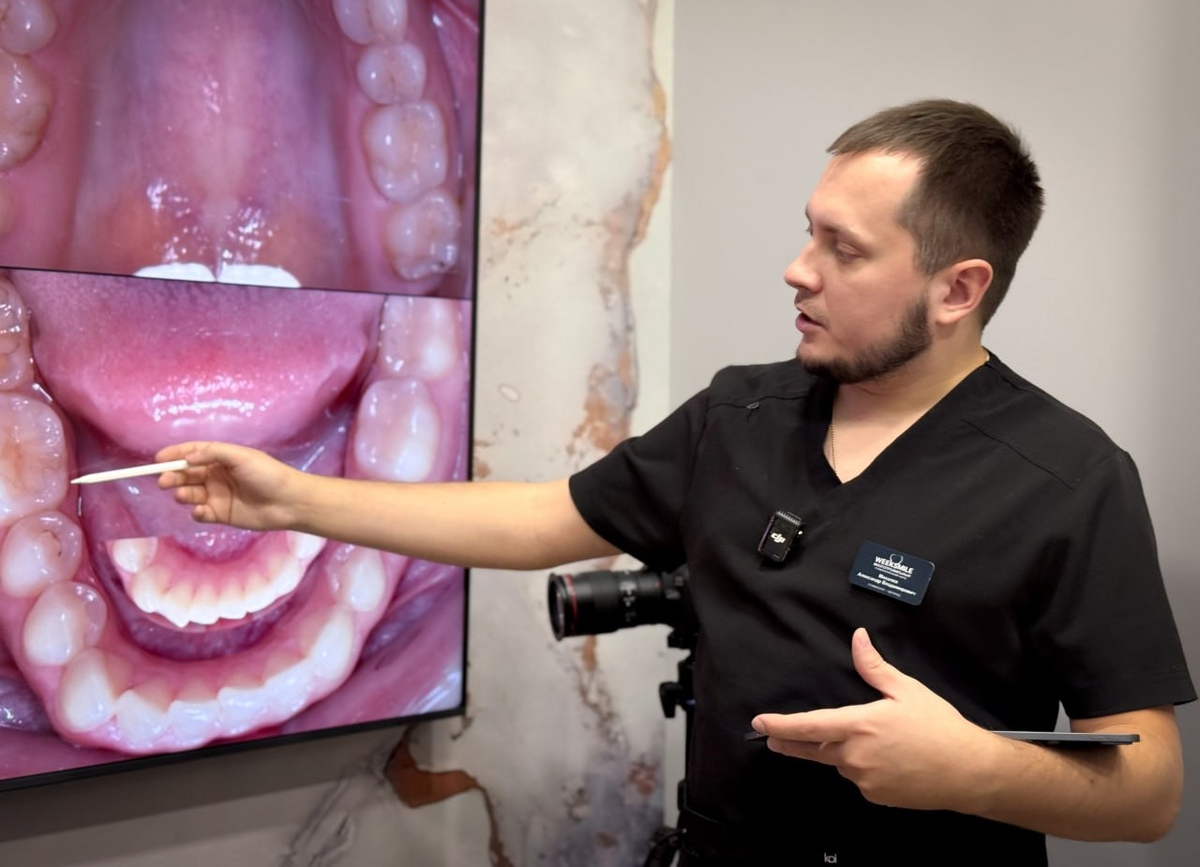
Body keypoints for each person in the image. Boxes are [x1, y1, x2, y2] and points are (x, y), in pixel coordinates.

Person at [155, 99, 1194, 866]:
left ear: (958, 289)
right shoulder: (740, 417)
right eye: (809, 228)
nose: (798, 268)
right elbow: (544, 518)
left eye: (843, 249)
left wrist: (971, 771)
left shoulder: (1068, 479)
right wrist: (290, 500)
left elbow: (1148, 789)